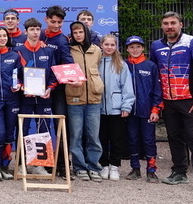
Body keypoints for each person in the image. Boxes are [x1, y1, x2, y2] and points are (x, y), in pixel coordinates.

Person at [149, 11, 193, 194]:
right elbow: (155, 73)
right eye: (166, 23)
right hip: (169, 101)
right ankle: (179, 172)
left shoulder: (192, 42)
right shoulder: (156, 46)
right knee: (174, 137)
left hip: (190, 100)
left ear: (181, 25)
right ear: (162, 26)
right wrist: (157, 101)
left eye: (173, 23)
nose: (169, 26)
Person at [15, 18, 58, 176]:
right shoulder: (18, 51)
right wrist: (21, 86)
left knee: (43, 130)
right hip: (25, 97)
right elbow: (14, 74)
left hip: (44, 98)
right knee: (23, 129)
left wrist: (50, 88)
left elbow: (53, 74)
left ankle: (39, 165)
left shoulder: (48, 51)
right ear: (26, 31)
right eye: (32, 29)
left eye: (37, 29)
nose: (35, 32)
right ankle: (21, 164)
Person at [65, 21, 104, 182]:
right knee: (76, 135)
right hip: (74, 97)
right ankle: (80, 167)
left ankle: (94, 166)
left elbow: (99, 69)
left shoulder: (97, 50)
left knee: (93, 135)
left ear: (86, 32)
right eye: (75, 33)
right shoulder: (69, 50)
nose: (78, 35)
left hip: (94, 98)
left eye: (81, 32)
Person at [124, 35, 162, 182]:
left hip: (147, 111)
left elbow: (157, 90)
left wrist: (156, 110)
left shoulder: (151, 66)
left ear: (143, 48)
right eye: (132, 47)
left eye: (138, 47)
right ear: (127, 49)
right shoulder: (123, 65)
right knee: (132, 139)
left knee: (149, 140)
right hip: (129, 111)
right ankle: (135, 169)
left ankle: (151, 170)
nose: (135, 50)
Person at [98, 34, 135, 181]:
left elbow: (127, 87)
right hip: (98, 107)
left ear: (116, 46)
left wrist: (126, 106)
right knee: (101, 138)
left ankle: (114, 166)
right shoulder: (96, 62)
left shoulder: (121, 64)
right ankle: (104, 165)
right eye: (106, 44)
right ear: (101, 45)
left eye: (112, 45)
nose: (109, 47)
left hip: (116, 108)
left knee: (117, 139)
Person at [0, 27, 22, 181]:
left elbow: (21, 75)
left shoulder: (15, 55)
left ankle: (5, 166)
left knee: (9, 135)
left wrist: (20, 84)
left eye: (4, 36)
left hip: (12, 100)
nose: (2, 38)